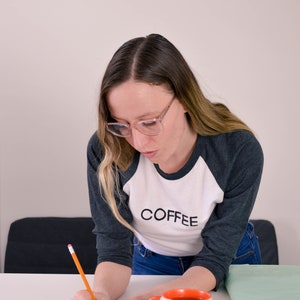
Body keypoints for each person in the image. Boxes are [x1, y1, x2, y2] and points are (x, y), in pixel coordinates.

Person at [73, 33, 263, 300]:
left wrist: (168, 292)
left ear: (185, 98)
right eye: (121, 125)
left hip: (232, 260)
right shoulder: (108, 148)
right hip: (152, 260)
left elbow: (217, 256)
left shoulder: (237, 150)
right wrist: (101, 293)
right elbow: (113, 250)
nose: (137, 141)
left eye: (149, 122)